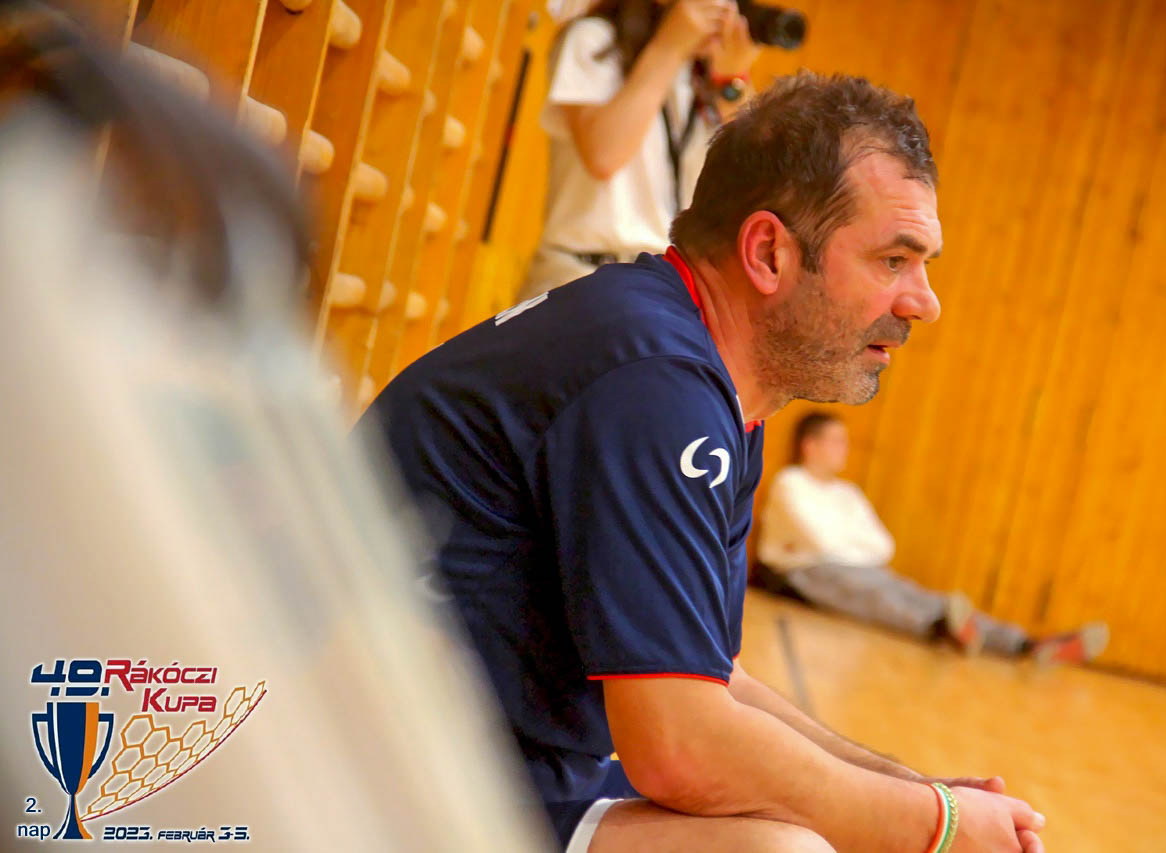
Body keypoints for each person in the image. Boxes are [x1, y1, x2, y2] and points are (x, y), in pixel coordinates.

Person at [362, 73, 1049, 852]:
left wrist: (916, 791)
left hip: (483, 765)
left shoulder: (699, 372)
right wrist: (935, 828)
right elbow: (679, 744)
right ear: (768, 252)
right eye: (895, 259)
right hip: (368, 779)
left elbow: (714, 682)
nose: (924, 300)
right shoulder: (656, 380)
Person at [756, 412, 1110, 663]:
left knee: (921, 596)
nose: (844, 449)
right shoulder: (791, 484)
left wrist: (848, 546)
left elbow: (883, 546)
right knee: (881, 598)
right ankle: (942, 630)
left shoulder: (847, 494)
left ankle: (1024, 644)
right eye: (836, 441)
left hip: (863, 570)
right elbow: (823, 545)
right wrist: (852, 546)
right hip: (806, 572)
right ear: (809, 445)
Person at [518, 0, 761, 300]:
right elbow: (604, 155)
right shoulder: (594, 39)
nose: (724, 11)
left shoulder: (702, 77)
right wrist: (671, 45)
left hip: (661, 288)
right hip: (581, 275)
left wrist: (731, 81)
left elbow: (747, 189)